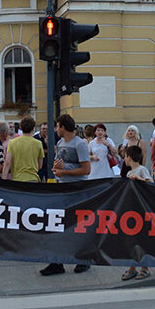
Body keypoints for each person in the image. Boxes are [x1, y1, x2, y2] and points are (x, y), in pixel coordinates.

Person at [41, 114, 92, 276]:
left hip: (77, 189)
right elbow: (60, 164)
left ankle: (83, 259)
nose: (56, 129)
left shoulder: (79, 144)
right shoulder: (60, 143)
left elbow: (86, 169)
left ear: (63, 127)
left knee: (77, 226)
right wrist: (57, 169)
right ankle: (57, 261)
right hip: (63, 188)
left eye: (57, 126)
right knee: (59, 225)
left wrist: (64, 171)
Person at [121, 145, 152, 281]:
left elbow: (150, 183)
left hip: (142, 210)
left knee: (142, 239)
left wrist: (138, 179)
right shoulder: (129, 173)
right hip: (131, 210)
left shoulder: (142, 170)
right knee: (131, 240)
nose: (124, 159)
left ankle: (145, 267)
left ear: (129, 157)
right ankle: (132, 267)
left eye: (125, 156)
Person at [4, 116, 44, 182]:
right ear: (33, 128)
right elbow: (40, 166)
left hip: (17, 179)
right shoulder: (38, 143)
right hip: (33, 178)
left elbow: (7, 162)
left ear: (20, 128)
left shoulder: (12, 142)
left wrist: (3, 179)